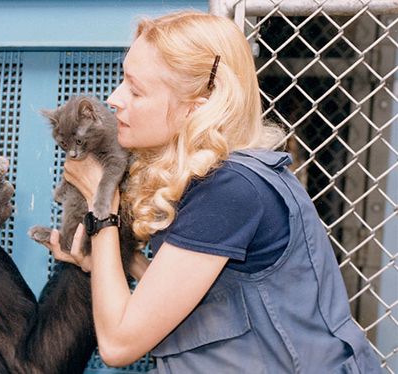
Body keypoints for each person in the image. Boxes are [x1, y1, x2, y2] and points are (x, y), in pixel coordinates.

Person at [41, 10, 382, 373]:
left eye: (136, 89)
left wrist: (102, 211)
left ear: (196, 108)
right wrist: (115, 263)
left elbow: (118, 343)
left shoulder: (230, 189)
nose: (114, 98)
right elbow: (208, 298)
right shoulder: (221, 179)